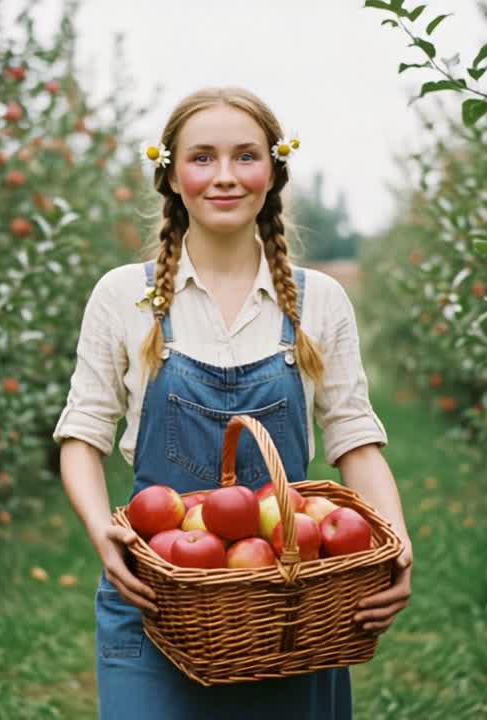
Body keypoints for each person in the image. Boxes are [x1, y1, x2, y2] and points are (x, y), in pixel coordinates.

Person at [53, 86, 413, 720]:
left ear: (273, 171)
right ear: (170, 175)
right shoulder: (123, 298)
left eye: (245, 156)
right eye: (202, 157)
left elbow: (355, 437)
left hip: (288, 604)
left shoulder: (318, 301)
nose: (224, 176)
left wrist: (394, 545)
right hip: (158, 593)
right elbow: (82, 435)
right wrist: (102, 536)